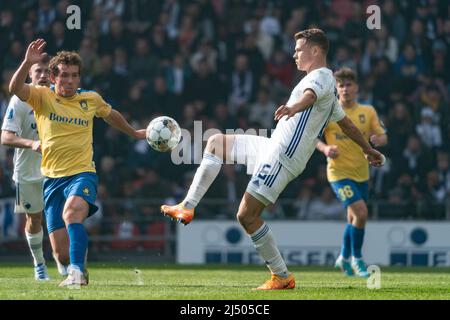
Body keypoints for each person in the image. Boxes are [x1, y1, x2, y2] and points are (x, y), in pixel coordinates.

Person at [161, 29, 385, 290]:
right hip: (272, 146)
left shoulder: (322, 77)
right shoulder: (327, 91)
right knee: (215, 142)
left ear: (315, 51)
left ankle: (281, 276)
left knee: (246, 216)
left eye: (299, 49)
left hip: (282, 157)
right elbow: (347, 125)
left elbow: (309, 97)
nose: (294, 54)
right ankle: (187, 206)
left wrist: (293, 107)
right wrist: (367, 149)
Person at [8, 39, 146, 287]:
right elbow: (14, 87)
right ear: (53, 77)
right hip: (51, 180)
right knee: (61, 253)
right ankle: (77, 269)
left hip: (83, 174)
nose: (70, 81)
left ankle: (76, 274)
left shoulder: (91, 99)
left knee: (73, 213)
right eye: (64, 76)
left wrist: (134, 133)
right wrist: (27, 63)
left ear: (79, 78)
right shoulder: (42, 97)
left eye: (74, 76)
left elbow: (110, 114)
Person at [316, 67, 387, 277]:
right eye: (341, 85)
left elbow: (383, 136)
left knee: (353, 218)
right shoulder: (329, 112)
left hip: (362, 173)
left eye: (348, 85)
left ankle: (343, 257)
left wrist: (377, 140)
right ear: (336, 89)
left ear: (356, 88)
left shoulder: (368, 111)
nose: (345, 89)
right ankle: (357, 259)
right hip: (338, 173)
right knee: (362, 213)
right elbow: (312, 138)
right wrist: (325, 148)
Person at [1, 56, 57, 280]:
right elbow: (6, 137)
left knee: (64, 215)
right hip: (27, 173)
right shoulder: (20, 101)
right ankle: (39, 263)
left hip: (56, 169)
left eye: (47, 71)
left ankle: (66, 262)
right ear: (30, 76)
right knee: (34, 219)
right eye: (38, 71)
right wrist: (32, 143)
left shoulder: (60, 96)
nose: (43, 75)